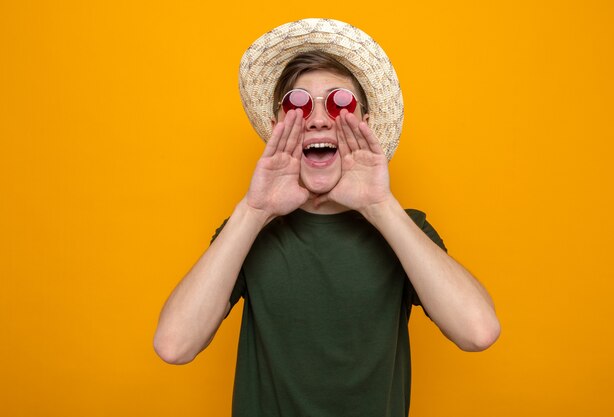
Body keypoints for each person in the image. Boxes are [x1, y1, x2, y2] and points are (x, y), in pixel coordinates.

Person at [154, 18, 500, 417]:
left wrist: (379, 205)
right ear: (277, 128)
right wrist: (254, 210)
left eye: (338, 103)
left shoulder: (404, 229)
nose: (317, 119)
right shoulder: (249, 230)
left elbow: (479, 332)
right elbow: (174, 345)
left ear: (364, 127)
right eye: (297, 105)